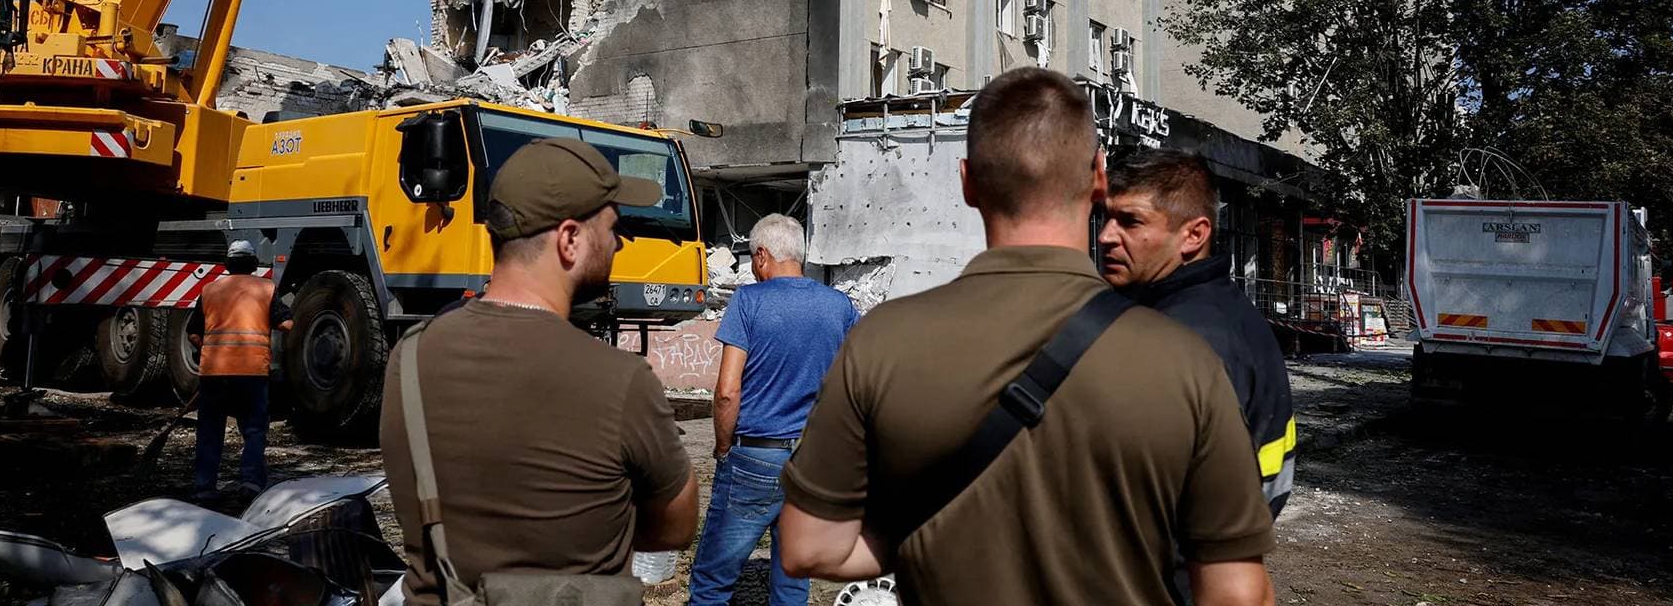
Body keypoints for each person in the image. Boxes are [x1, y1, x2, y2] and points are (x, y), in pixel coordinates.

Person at [777, 67, 1277, 606]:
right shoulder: (1186, 360)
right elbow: (1237, 594)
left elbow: (809, 548)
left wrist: (925, 535)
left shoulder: (879, 342)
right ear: (1099, 177)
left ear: (967, 182)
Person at [379, 137, 699, 606]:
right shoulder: (621, 379)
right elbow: (677, 526)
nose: (619, 242)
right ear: (569, 240)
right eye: (613, 227)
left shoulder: (407, 358)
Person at [1099, 149, 1299, 516]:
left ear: (1194, 235)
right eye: (1106, 217)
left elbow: (1141, 499)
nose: (1106, 236)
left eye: (1130, 222)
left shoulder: (1182, 337)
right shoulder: (1224, 309)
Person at [687, 215, 858, 606]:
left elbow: (727, 392)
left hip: (755, 455)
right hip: (814, 461)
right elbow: (859, 379)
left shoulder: (748, 302)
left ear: (762, 255)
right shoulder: (840, 306)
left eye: (752, 259)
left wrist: (723, 448)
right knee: (793, 579)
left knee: (712, 582)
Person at [189, 239, 292, 500]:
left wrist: (207, 347)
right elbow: (286, 324)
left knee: (210, 431)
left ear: (228, 264)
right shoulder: (266, 288)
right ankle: (251, 483)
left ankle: (204, 487)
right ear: (253, 264)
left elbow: (194, 332)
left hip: (214, 373)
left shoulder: (210, 290)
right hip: (252, 372)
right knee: (254, 430)